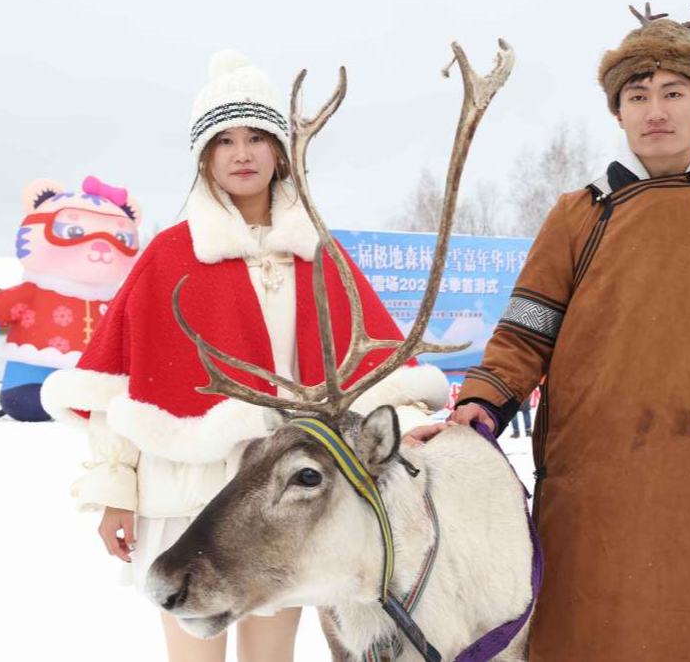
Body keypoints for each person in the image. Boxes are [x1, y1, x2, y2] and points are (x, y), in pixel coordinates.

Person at [410, 0, 690, 660]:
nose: (656, 110)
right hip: (589, 487)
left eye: (674, 92)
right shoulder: (577, 216)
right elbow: (523, 334)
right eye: (638, 95)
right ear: (617, 112)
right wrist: (479, 404)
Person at [41, 50, 447, 662]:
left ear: (280, 151)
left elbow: (374, 373)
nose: (242, 153)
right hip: (184, 492)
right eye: (224, 139)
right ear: (204, 155)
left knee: (270, 657)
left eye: (257, 136)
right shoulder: (170, 256)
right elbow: (116, 384)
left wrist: (411, 426)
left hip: (279, 500)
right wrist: (114, 489)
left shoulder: (316, 254)